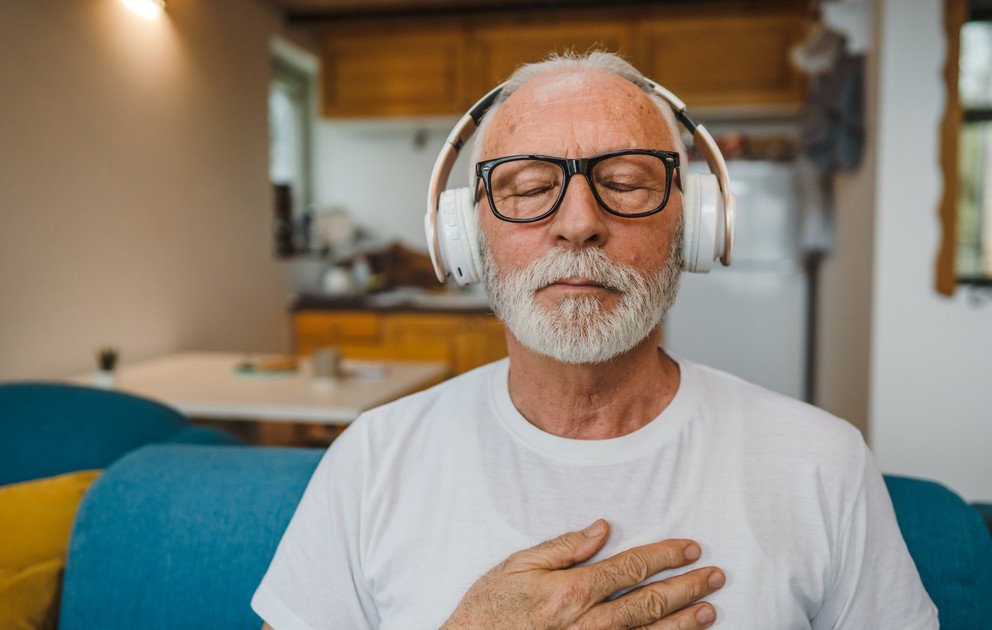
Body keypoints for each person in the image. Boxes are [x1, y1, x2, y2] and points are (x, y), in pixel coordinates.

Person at [251, 51, 938, 629]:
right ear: (465, 237)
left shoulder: (823, 463)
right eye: (527, 187)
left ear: (694, 225)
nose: (578, 222)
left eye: (625, 183)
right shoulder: (371, 460)